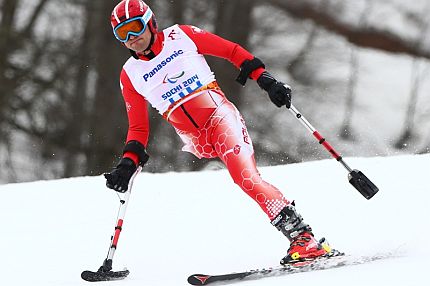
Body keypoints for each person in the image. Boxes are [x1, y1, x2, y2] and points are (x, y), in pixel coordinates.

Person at [105, 0, 332, 265]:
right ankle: (303, 239)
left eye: (135, 28)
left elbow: (232, 51)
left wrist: (265, 79)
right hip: (196, 141)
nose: (132, 38)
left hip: (220, 119)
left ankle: (304, 239)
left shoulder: (182, 36)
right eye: (123, 34)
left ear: (151, 22)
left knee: (245, 177)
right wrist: (128, 162)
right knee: (233, 180)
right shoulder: (130, 74)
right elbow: (139, 127)